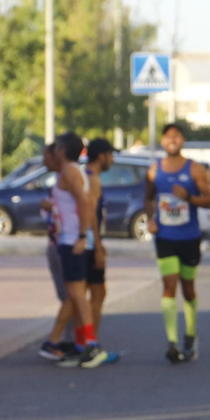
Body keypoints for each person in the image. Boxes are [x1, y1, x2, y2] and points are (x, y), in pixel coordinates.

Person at [145, 123, 210, 362]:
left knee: (187, 288)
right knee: (169, 286)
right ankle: (172, 341)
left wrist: (189, 197)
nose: (172, 140)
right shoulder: (154, 170)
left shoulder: (194, 169)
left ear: (182, 139)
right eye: (167, 136)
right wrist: (150, 220)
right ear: (162, 141)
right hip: (165, 238)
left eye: (176, 136)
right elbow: (148, 199)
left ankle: (191, 334)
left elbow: (209, 201)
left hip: (189, 237)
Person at [40, 132, 107, 370]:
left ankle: (90, 343)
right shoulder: (73, 170)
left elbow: (84, 202)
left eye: (57, 146)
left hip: (72, 240)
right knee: (75, 294)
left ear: (62, 150)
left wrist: (80, 236)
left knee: (77, 294)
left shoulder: (70, 170)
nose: (54, 150)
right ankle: (81, 344)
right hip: (71, 238)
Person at [84, 138, 121, 365]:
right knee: (96, 293)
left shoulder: (85, 175)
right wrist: (97, 246)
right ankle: (91, 343)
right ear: (102, 156)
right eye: (111, 155)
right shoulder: (92, 179)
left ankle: (85, 341)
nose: (113, 160)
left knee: (87, 294)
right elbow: (91, 215)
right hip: (89, 243)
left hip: (87, 242)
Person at [38, 135, 72, 359]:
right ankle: (69, 340)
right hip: (59, 242)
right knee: (68, 295)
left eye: (46, 156)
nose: (43, 162)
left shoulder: (70, 176)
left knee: (71, 295)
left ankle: (57, 340)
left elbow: (78, 206)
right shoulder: (61, 178)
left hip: (66, 243)